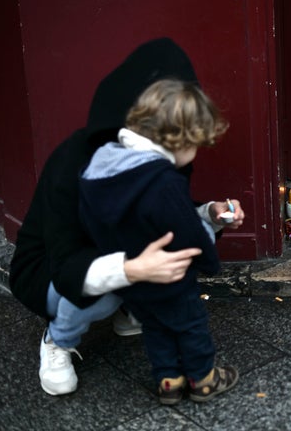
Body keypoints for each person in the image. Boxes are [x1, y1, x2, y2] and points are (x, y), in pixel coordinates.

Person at [8, 38, 244, 397]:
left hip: (117, 249)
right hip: (52, 269)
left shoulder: (152, 151)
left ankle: (131, 308)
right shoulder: (77, 160)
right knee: (121, 294)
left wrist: (211, 214)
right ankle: (58, 337)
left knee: (151, 302)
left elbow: (163, 213)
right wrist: (134, 271)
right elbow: (67, 259)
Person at [78, 79, 239, 405]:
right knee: (190, 324)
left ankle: (168, 380)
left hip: (132, 276)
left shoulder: (104, 163)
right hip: (171, 274)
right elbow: (188, 232)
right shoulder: (163, 181)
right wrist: (210, 262)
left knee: (154, 327)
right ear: (180, 138)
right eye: (196, 144)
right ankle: (203, 378)